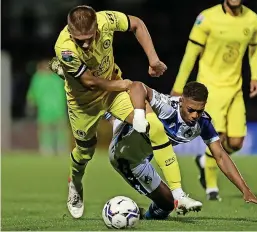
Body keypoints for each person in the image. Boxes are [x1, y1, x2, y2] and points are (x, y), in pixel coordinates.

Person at [50, 5, 190, 218]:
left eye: (89, 37)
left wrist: (153, 59)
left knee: (153, 126)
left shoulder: (107, 19)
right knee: (85, 151)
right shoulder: (65, 48)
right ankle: (75, 184)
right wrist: (123, 85)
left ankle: (178, 192)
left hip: (112, 91)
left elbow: (137, 24)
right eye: (80, 40)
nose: (85, 44)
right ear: (70, 33)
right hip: (83, 102)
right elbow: (89, 82)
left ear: (97, 26)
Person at [126, 81, 257, 216]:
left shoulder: (203, 123)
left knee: (168, 205)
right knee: (169, 202)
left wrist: (245, 190)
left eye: (199, 111)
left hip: (143, 158)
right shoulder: (166, 106)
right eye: (191, 110)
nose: (195, 115)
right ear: (181, 101)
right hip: (126, 150)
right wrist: (137, 114)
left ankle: (139, 215)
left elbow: (220, 156)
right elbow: (138, 86)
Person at [170, 0, 257, 201]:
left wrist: (255, 76)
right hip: (211, 87)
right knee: (216, 138)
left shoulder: (252, 19)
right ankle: (212, 188)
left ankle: (205, 161)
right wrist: (178, 87)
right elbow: (190, 55)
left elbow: (255, 48)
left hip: (235, 88)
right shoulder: (207, 18)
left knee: (236, 142)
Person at [26, 59, 69, 156]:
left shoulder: (38, 78)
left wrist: (30, 104)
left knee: (47, 129)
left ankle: (47, 148)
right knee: (58, 129)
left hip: (47, 108)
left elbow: (31, 94)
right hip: (57, 107)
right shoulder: (57, 77)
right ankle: (59, 147)